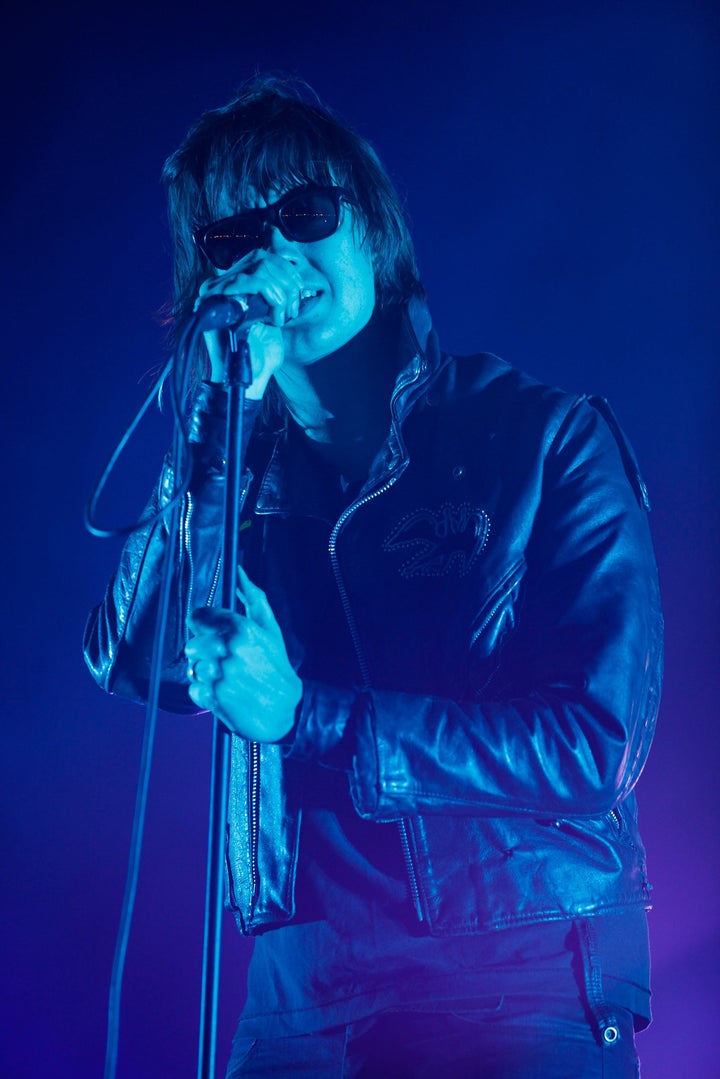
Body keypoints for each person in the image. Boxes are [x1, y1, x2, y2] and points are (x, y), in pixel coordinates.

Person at [84, 77, 663, 1078]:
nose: (276, 252)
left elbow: (595, 743)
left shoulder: (541, 437)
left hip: (514, 970)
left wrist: (307, 713)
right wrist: (213, 424)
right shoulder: (235, 473)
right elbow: (134, 661)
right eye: (232, 236)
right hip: (298, 993)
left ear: (375, 231)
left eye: (303, 211)